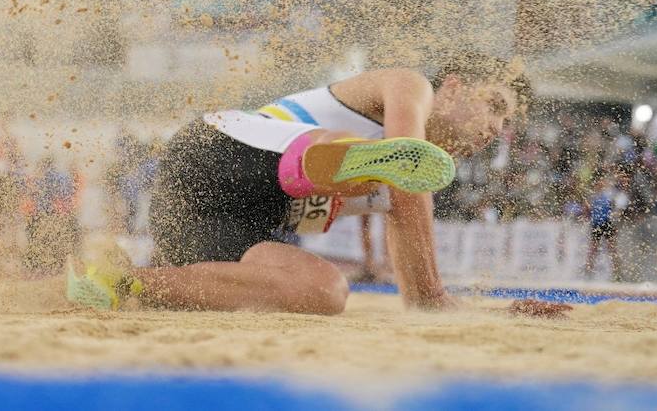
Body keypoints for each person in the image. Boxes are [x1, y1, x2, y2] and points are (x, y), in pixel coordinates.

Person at [67, 54, 529, 314]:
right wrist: (436, 296)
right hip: (222, 151)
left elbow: (423, 300)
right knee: (387, 164)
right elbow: (411, 195)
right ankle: (322, 162)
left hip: (213, 213)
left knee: (324, 293)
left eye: (505, 122)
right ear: (451, 88)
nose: (495, 127)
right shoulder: (411, 86)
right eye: (493, 104)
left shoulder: (410, 181)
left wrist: (496, 311)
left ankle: (122, 280)